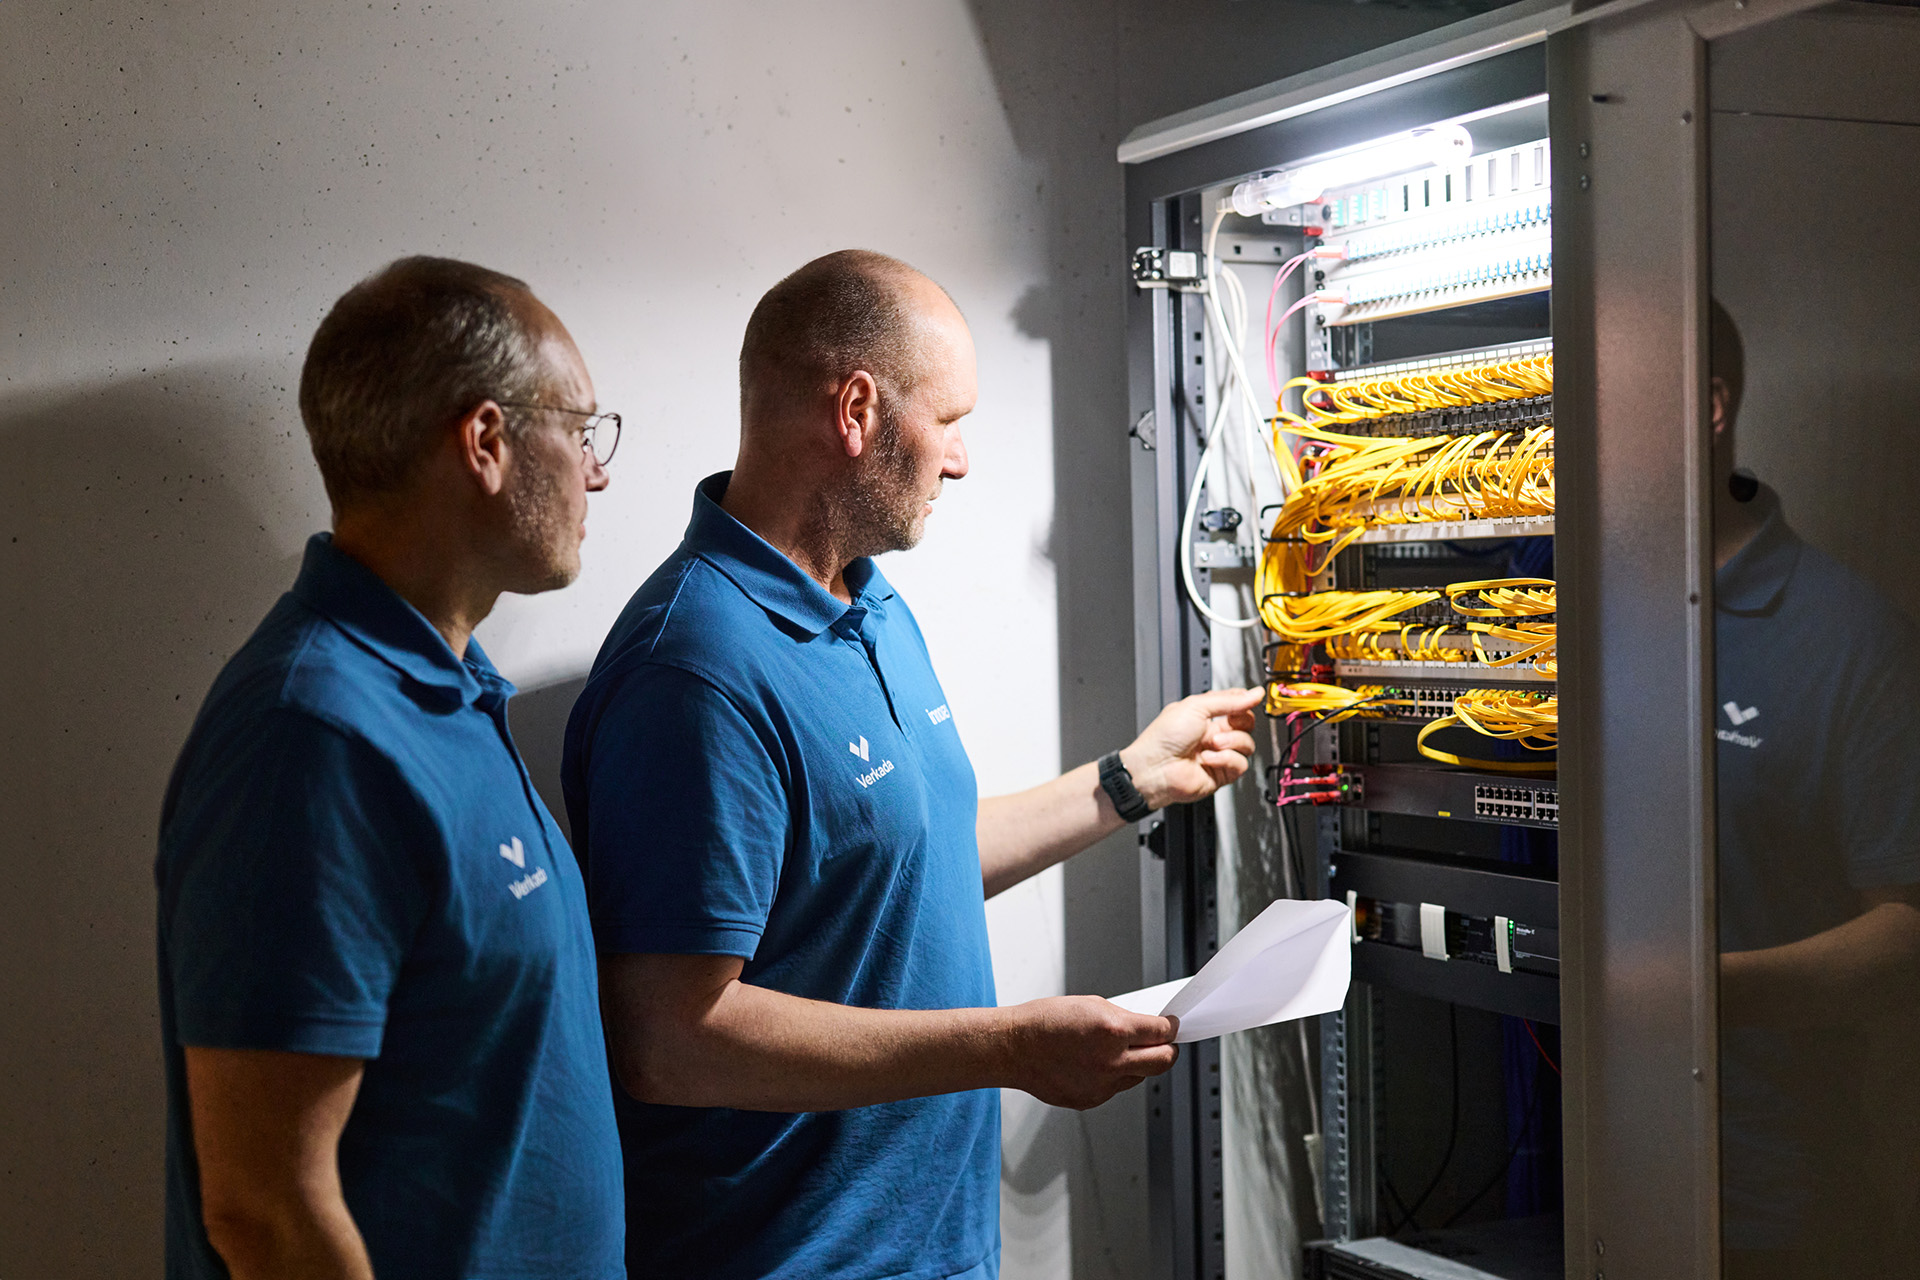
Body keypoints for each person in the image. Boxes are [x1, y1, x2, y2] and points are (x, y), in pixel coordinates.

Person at [562, 248, 1263, 1280]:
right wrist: (1005, 1047)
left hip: (929, 1252)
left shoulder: (866, 599)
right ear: (856, 411)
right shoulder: (696, 671)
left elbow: (897, 859)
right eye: (951, 420)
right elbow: (670, 1035)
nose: (963, 459)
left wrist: (1129, 779)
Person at [156, 257, 624, 1280]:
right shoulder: (314, 736)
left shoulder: (449, 689)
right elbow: (265, 1208)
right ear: (487, 441)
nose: (596, 471)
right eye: (581, 429)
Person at [1708, 300, 1920, 1278]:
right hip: (1554, 1175)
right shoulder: (1558, 611)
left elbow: (1906, 932)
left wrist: (1699, 995)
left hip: (1770, 1207)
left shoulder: (1848, 638)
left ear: (1710, 406)